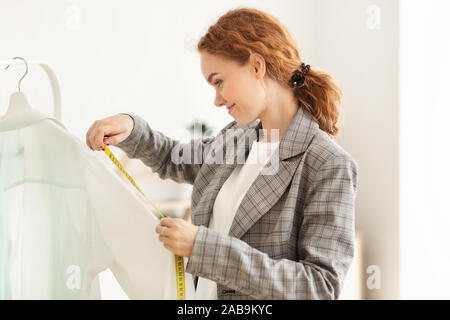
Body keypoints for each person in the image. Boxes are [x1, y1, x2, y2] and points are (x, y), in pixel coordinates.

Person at [86, 7, 358, 300]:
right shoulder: (237, 137)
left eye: (218, 81)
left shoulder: (328, 164)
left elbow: (319, 288)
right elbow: (172, 157)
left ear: (256, 66)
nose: (216, 100)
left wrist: (203, 248)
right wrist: (131, 128)